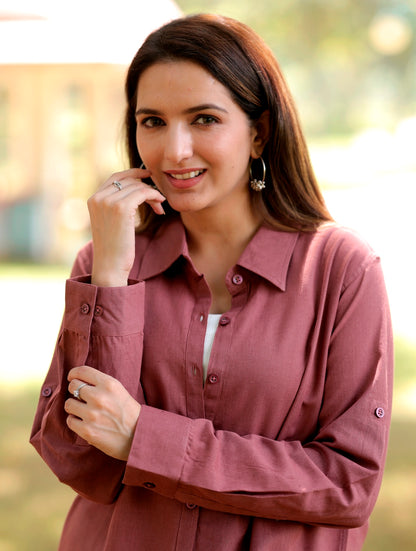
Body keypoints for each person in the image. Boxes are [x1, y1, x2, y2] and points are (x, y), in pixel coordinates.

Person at [30, 13, 393, 551]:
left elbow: (348, 484)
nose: (174, 151)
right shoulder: (106, 259)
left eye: (203, 119)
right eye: (152, 121)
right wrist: (109, 278)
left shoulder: (342, 270)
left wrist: (145, 439)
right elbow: (79, 460)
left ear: (259, 133)